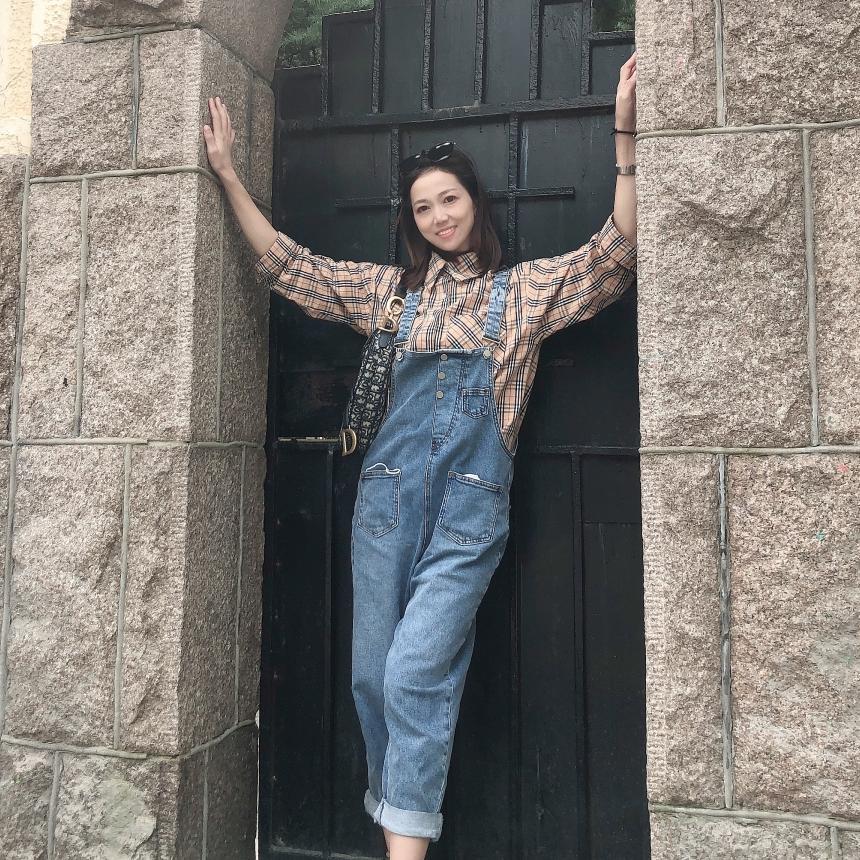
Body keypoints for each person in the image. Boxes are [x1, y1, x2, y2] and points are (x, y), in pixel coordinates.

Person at [204, 50, 638, 860]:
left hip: (469, 514)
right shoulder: (388, 296)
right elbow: (288, 267)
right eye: (424, 207)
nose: (440, 217)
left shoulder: (522, 295)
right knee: (374, 678)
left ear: (474, 201)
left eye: (450, 199)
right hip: (385, 505)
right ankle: (399, 833)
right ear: (412, 220)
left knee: (413, 675)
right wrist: (228, 175)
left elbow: (614, 254)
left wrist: (624, 137)